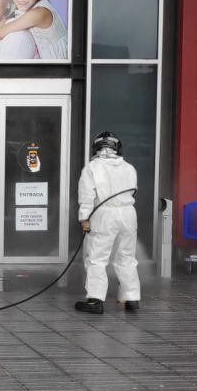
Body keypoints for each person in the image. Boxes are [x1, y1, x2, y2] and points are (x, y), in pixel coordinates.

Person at [75, 131, 141, 314]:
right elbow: (133, 191)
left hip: (104, 214)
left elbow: (87, 197)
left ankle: (95, 300)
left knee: (97, 258)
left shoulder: (92, 168)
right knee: (126, 257)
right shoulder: (129, 168)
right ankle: (132, 298)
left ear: (96, 147)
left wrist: (84, 218)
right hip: (128, 213)